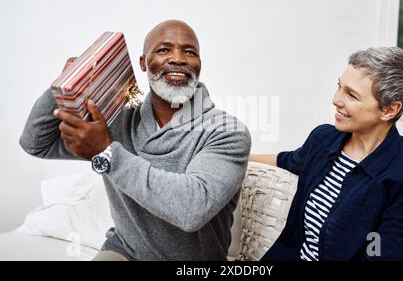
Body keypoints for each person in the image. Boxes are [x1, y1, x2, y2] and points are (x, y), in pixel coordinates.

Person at [20, 20, 252, 261]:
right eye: (163, 49)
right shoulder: (116, 121)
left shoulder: (227, 131)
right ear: (143, 63)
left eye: (189, 52)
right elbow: (36, 142)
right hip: (125, 252)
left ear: (199, 65)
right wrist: (62, 85)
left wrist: (106, 151)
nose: (178, 59)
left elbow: (192, 209)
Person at [251, 47, 403, 261]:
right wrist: (230, 154)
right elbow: (288, 160)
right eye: (339, 87)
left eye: (351, 95)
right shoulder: (324, 139)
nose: (336, 99)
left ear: (389, 110)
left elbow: (384, 255)